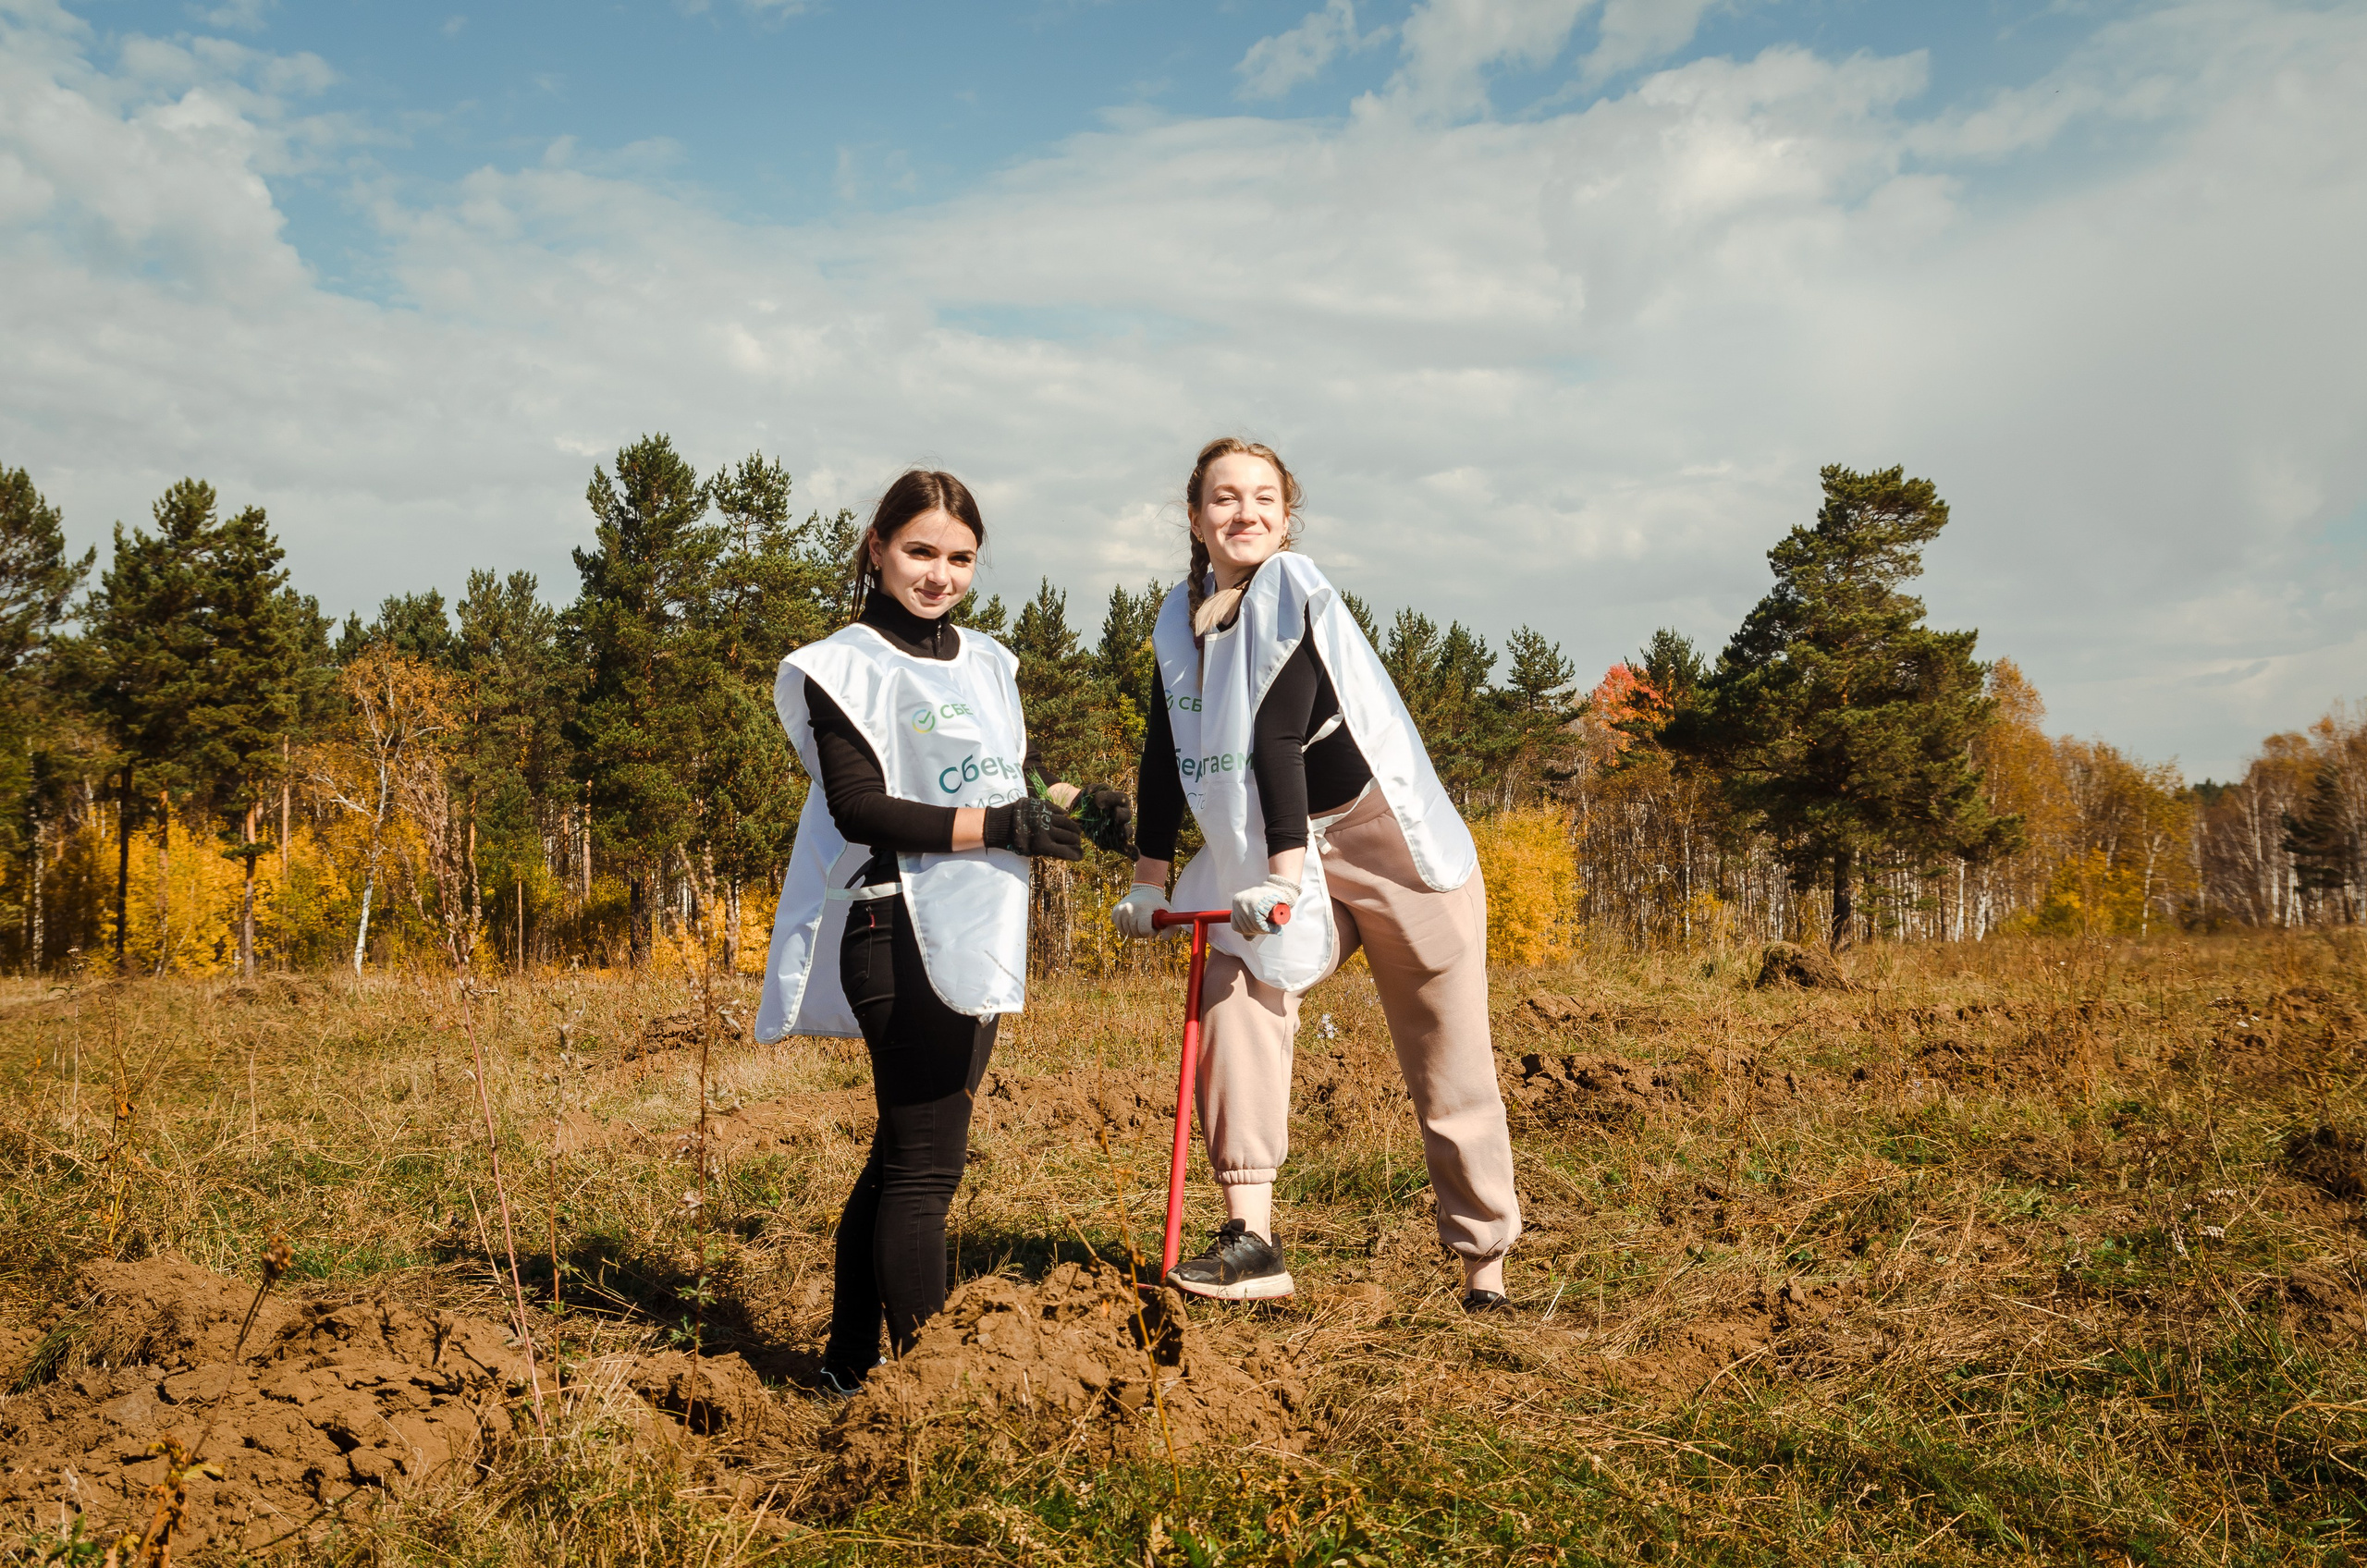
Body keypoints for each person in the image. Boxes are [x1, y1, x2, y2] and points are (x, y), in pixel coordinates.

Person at [1112, 438, 1521, 1313]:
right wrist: (1150, 879)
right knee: (1237, 985)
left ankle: (1483, 1267)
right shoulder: (1176, 625)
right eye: (1225, 498)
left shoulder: (1292, 592)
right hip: (1279, 848)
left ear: (1287, 516)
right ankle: (1251, 1239)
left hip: (1386, 844)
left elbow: (1277, 735)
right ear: (1195, 517)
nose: (1245, 513)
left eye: (1264, 497)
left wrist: (1284, 875)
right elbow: (1161, 755)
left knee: (1447, 1052)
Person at [755, 469, 1132, 1395]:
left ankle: (847, 1365)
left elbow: (1016, 773)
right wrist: (1001, 829)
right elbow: (858, 807)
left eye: (959, 557)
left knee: (899, 1157)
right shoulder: (840, 665)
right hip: (893, 925)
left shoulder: (989, 662)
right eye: (920, 551)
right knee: (926, 1170)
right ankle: (929, 1392)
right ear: (878, 547)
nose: (939, 574)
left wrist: (1082, 803)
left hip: (976, 932)